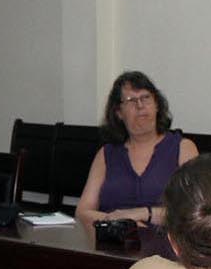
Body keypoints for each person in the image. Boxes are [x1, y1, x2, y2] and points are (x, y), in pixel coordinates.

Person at [74, 71, 200, 226]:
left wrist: (144, 213)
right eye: (131, 100)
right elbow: (82, 212)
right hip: (112, 244)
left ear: (157, 105)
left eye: (145, 98)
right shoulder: (106, 153)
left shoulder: (183, 148)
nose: (140, 105)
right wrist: (121, 223)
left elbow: (194, 211)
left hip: (165, 243)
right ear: (119, 112)